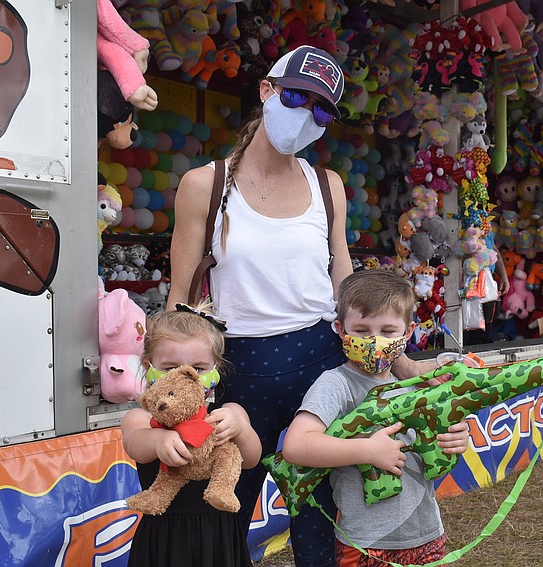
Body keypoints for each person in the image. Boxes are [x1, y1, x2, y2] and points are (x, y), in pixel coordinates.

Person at [166, 45, 439, 566]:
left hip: (320, 371)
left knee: (323, 528)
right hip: (234, 373)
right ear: (267, 91)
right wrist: (170, 383)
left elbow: (348, 293)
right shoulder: (204, 185)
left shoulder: (328, 187)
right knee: (218, 518)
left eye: (323, 109)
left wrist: (399, 361)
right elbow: (179, 302)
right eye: (297, 97)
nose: (306, 116)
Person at [282, 270, 470, 566]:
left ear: (408, 333)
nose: (375, 341)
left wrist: (457, 438)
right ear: (341, 330)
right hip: (366, 543)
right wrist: (367, 450)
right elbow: (295, 446)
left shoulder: (415, 385)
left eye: (388, 331)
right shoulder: (336, 384)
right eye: (362, 330)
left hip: (427, 533)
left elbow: (438, 446)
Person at [121, 304, 262, 567]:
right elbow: (135, 443)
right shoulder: (142, 419)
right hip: (164, 537)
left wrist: (241, 429)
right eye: (169, 367)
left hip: (219, 535)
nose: (187, 377)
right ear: (147, 366)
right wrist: (158, 440)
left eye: (199, 368)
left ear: (215, 368)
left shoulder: (228, 412)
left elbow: (253, 459)